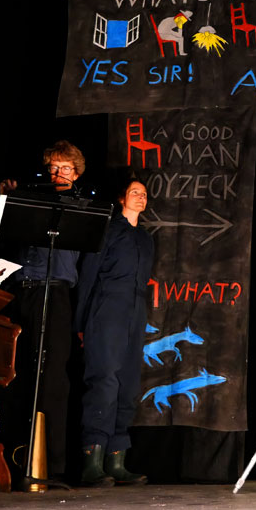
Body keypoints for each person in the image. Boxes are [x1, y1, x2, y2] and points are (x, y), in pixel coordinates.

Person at [0, 140, 87, 485]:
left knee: (52, 380)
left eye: (65, 168)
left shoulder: (81, 207)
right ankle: (13, 458)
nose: (58, 173)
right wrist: (8, 200)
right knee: (16, 375)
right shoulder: (30, 202)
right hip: (22, 292)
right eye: (53, 167)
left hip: (58, 293)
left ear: (76, 173)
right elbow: (2, 239)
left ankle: (52, 464)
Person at [74, 174, 154, 486]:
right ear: (122, 198)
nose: (141, 197)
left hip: (135, 310)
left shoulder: (145, 238)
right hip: (107, 306)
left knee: (128, 382)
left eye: (145, 194)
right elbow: (89, 275)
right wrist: (81, 322)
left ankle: (116, 459)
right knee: (104, 380)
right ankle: (92, 462)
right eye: (135, 192)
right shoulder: (108, 228)